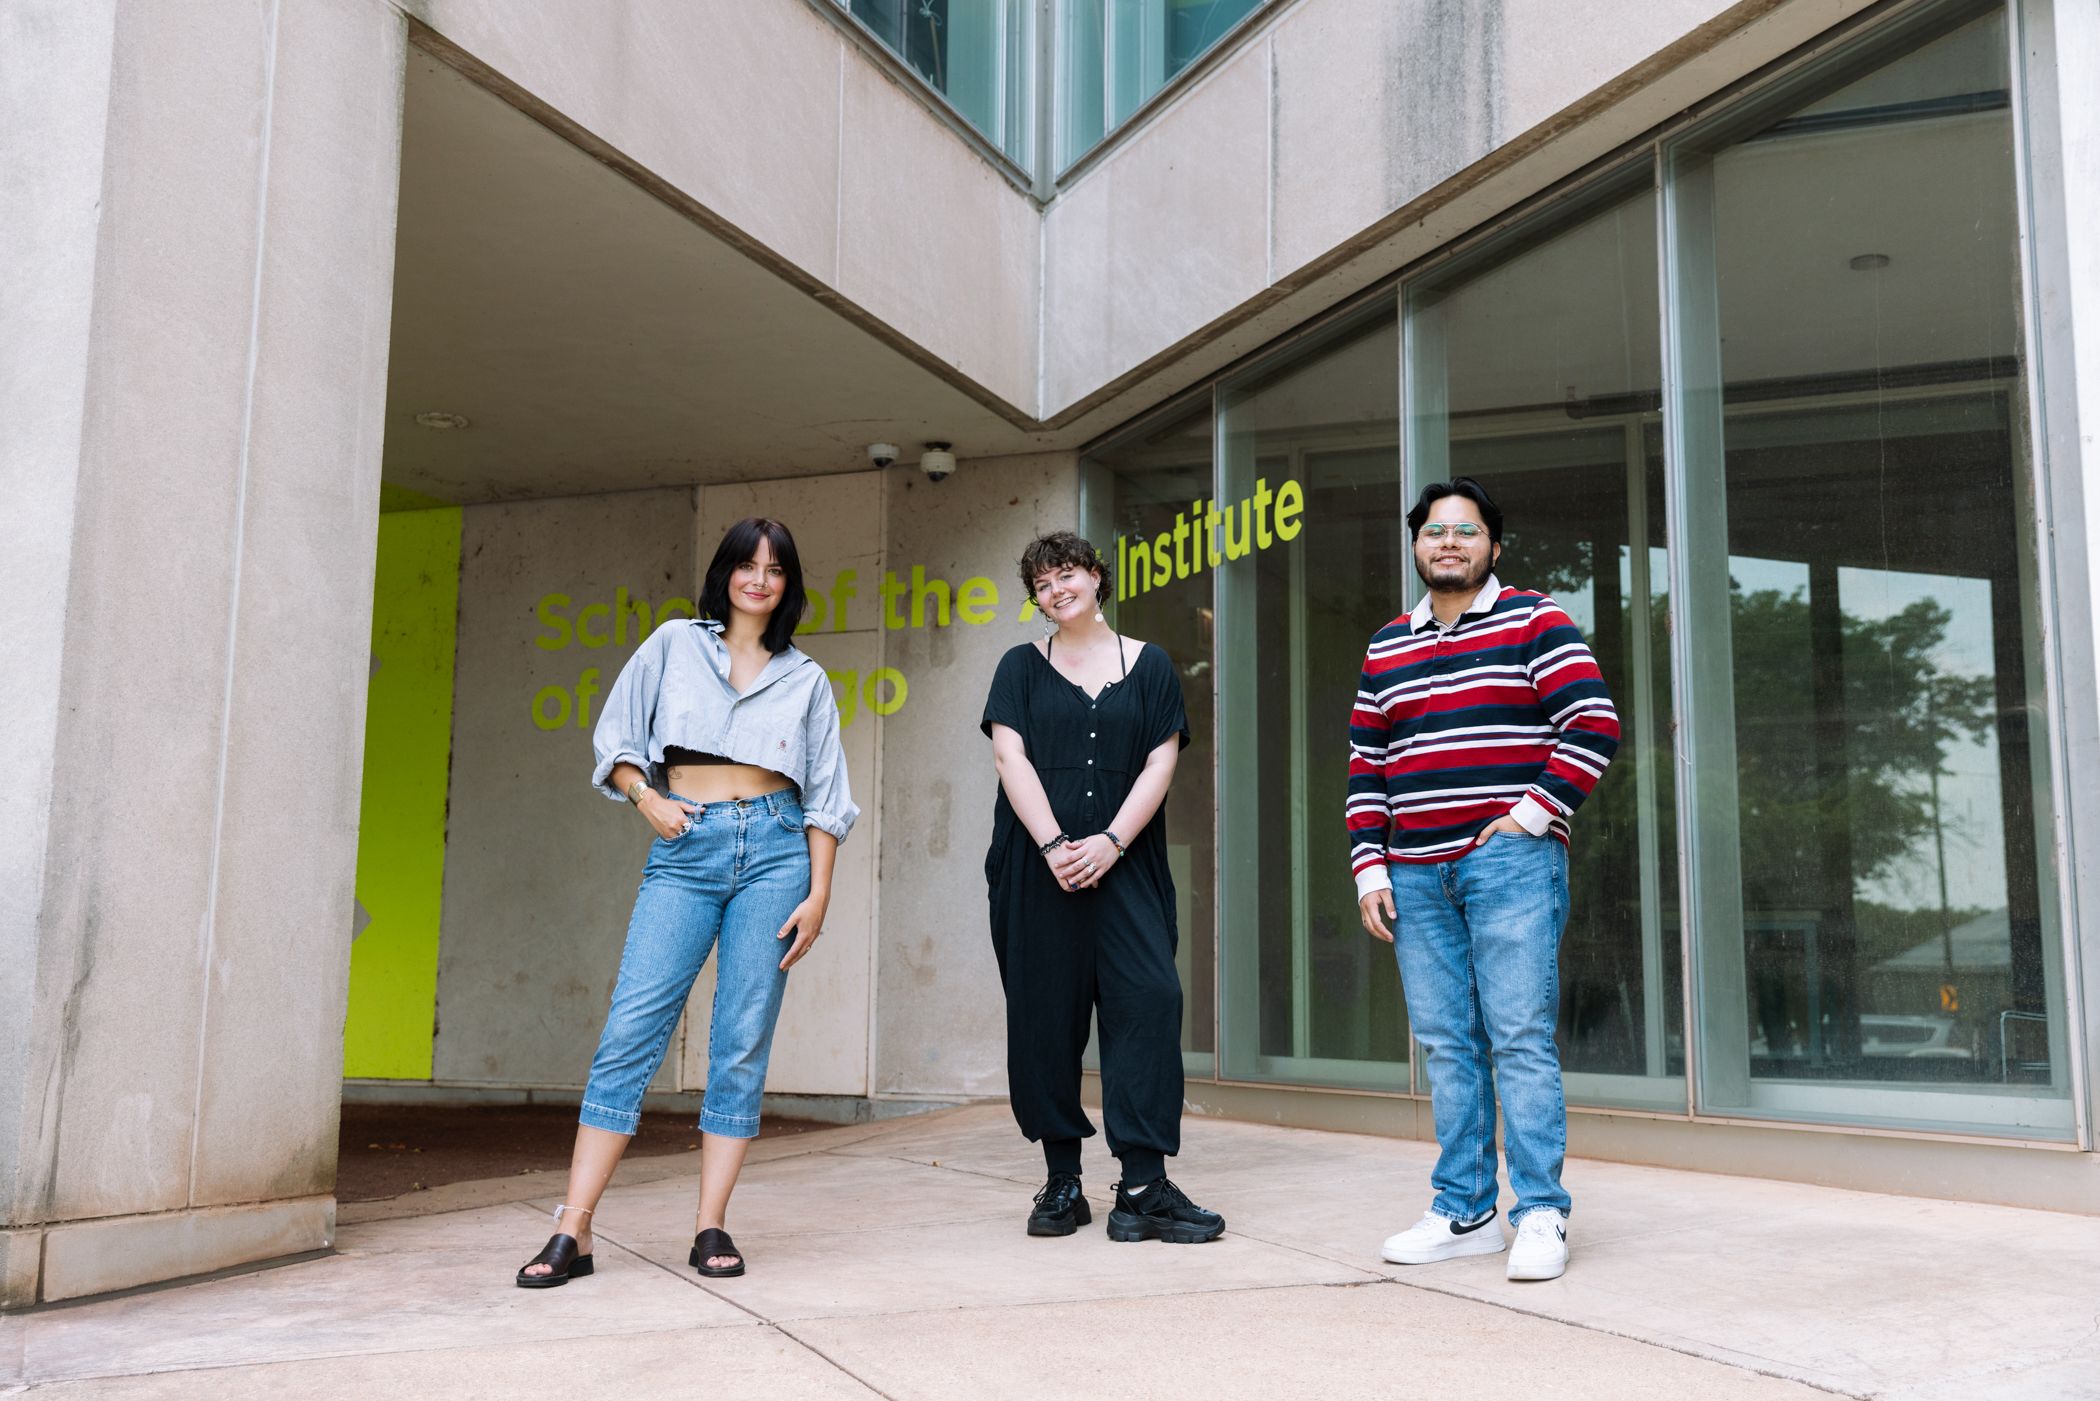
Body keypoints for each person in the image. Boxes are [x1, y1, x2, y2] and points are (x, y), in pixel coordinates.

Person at [515, 518, 857, 1287]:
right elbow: (616, 737)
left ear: (788, 583)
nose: (759, 578)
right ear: (725, 572)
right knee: (632, 1027)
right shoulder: (674, 643)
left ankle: (711, 1224)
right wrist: (646, 799)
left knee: (738, 1039)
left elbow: (827, 797)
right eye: (746, 564)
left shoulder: (805, 679)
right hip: (686, 844)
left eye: (774, 568)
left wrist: (821, 891)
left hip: (776, 852)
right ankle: (574, 1226)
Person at [1350, 478, 1618, 1282]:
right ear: (1417, 546)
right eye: (1435, 531)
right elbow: (1368, 769)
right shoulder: (1387, 645)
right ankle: (1465, 1211)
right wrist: (1371, 865)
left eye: (1466, 531)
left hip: (1507, 860)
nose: (1449, 542)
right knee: (1446, 1044)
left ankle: (1539, 1212)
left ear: (1493, 546)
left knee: (1519, 1035)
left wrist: (1532, 815)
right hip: (1414, 869)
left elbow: (1593, 723)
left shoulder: (1536, 619)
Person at [981, 531, 1223, 1244]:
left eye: (1068, 574)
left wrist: (1112, 841)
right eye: (1043, 584)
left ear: (1095, 576)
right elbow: (1008, 752)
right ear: (1036, 599)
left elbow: (1161, 760)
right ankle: (1061, 1180)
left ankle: (1142, 1187)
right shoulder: (1019, 666)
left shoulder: (1149, 665)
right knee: (1044, 1013)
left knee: (1149, 998)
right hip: (1036, 867)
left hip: (1129, 865)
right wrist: (1055, 842)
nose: (1058, 589)